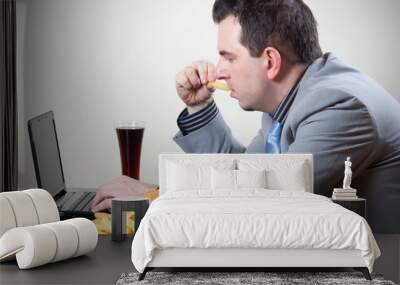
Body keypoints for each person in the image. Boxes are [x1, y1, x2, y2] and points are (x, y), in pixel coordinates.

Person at [92, 0, 400, 234]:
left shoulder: (340, 107)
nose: (219, 70)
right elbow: (241, 176)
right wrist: (199, 108)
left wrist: (151, 200)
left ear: (270, 61)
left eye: (228, 56)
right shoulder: (291, 100)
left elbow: (260, 205)